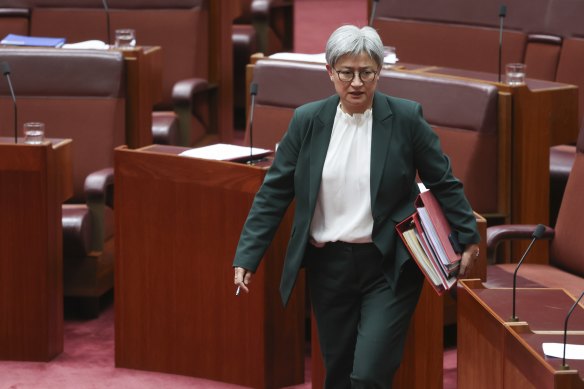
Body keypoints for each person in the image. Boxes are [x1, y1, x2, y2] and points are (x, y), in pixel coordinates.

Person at [232, 24, 480, 389]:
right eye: (346, 73)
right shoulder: (307, 121)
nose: (357, 83)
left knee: (368, 375)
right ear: (330, 72)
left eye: (367, 73)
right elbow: (274, 191)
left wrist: (468, 235)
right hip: (328, 268)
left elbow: (442, 179)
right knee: (337, 373)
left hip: (387, 266)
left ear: (380, 72)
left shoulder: (406, 119)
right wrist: (247, 255)